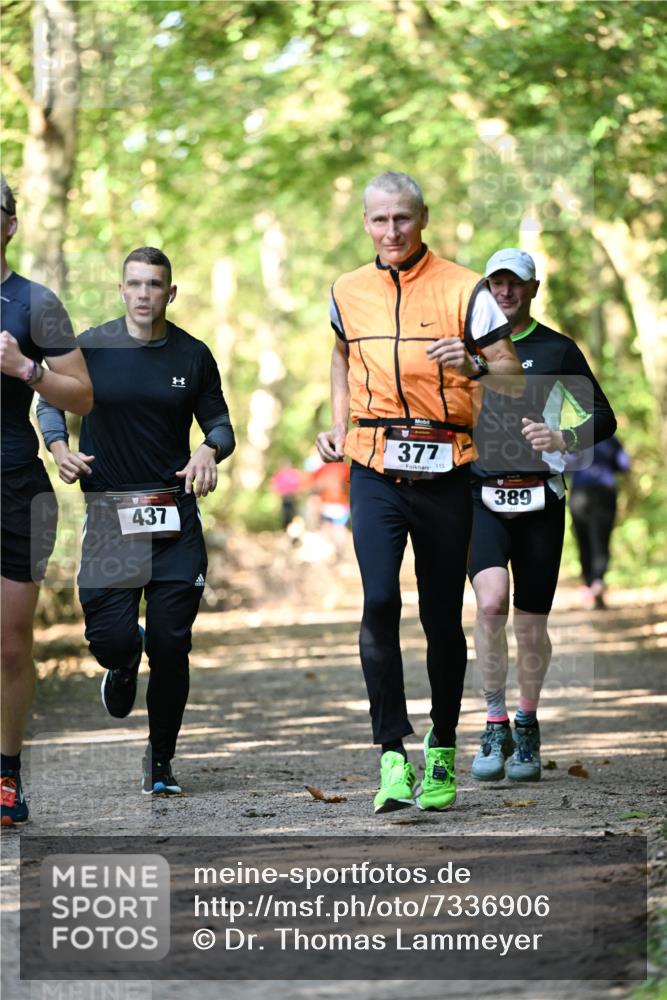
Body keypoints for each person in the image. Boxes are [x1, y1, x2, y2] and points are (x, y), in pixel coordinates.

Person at [316, 172, 523, 814]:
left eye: (402, 219)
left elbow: (514, 379)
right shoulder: (346, 291)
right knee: (379, 600)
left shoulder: (467, 289)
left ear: (423, 217)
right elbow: (341, 357)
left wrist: (476, 365)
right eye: (379, 220)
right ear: (366, 222)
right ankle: (390, 756)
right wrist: (338, 424)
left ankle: (440, 746)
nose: (391, 232)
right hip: (374, 464)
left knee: (440, 614)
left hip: (447, 465)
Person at [37, 247, 234, 796]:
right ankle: (123, 663)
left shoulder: (192, 355)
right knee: (111, 639)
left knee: (172, 645)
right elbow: (50, 398)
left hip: (173, 516)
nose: (145, 294)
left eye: (155, 285)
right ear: (121, 290)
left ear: (171, 293)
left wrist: (207, 452)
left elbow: (220, 424)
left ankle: (162, 761)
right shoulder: (93, 346)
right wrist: (58, 446)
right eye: (135, 284)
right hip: (110, 518)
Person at [469, 248, 616, 784]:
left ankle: (526, 723)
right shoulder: (470, 346)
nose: (505, 292)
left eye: (516, 284)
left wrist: (562, 437)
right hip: (480, 495)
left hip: (541, 497)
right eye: (496, 283)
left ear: (534, 288)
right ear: (484, 288)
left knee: (530, 625)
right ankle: (492, 720)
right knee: (490, 606)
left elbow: (604, 416)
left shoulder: (557, 348)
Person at [0, 176, 93, 826]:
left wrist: (27, 370)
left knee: (8, 644)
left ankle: (6, 776)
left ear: (9, 223)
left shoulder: (35, 303)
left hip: (13, 487)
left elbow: (82, 394)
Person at [569, 435, 630, 609]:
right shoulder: (611, 439)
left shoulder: (575, 437)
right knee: (601, 541)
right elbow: (625, 465)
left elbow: (564, 465)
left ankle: (589, 584)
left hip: (579, 494)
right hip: (604, 493)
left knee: (583, 541)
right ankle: (597, 583)